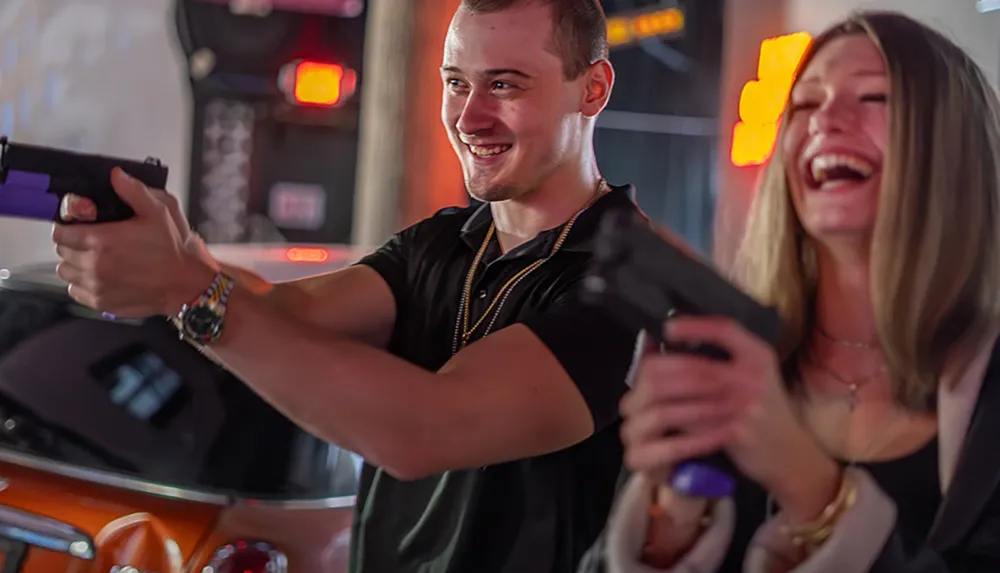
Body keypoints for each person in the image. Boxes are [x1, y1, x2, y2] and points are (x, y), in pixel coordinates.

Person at [51, 1, 643, 571]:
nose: (469, 119)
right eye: (457, 83)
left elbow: (422, 430)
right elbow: (278, 310)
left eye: (505, 86)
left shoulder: (627, 287)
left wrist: (184, 287)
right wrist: (168, 248)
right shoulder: (442, 244)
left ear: (592, 88)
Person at [580, 10, 1000, 573]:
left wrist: (812, 488)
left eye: (874, 97)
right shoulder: (728, 360)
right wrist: (669, 516)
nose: (826, 119)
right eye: (804, 103)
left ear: (952, 147)